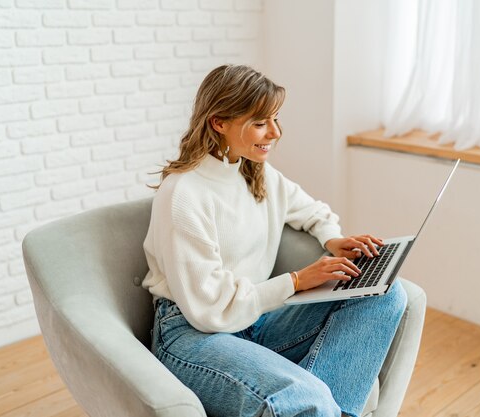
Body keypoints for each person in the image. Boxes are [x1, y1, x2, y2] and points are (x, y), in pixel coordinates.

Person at [142, 64, 407, 417]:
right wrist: (297, 281)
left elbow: (312, 210)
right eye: (260, 122)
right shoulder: (184, 194)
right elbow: (209, 307)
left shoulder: (255, 171)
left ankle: (329, 409)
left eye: (276, 119)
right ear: (218, 122)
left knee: (386, 293)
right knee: (305, 396)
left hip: (257, 318)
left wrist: (334, 239)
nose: (276, 132)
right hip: (194, 332)